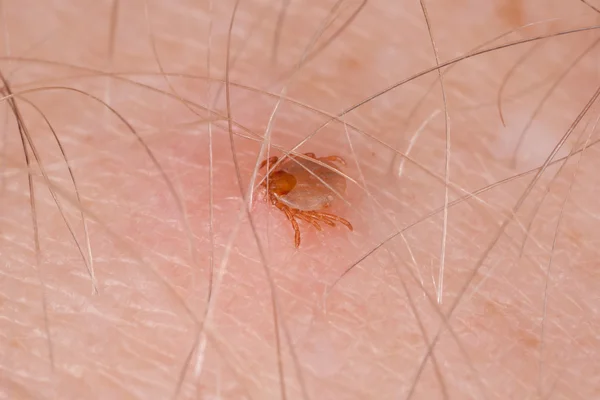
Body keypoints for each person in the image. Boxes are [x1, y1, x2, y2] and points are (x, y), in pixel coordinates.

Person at [2, 1, 598, 398]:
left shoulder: (284, 175)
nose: (268, 183)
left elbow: (296, 181)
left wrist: (291, 184)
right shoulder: (282, 181)